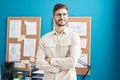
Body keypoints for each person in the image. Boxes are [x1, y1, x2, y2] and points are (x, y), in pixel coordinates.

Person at [36, 3, 81, 80]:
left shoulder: (74, 37)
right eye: (59, 15)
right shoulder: (44, 38)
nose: (62, 17)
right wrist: (57, 69)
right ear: (53, 16)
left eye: (64, 14)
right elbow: (38, 63)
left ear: (67, 16)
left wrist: (51, 60)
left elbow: (72, 62)